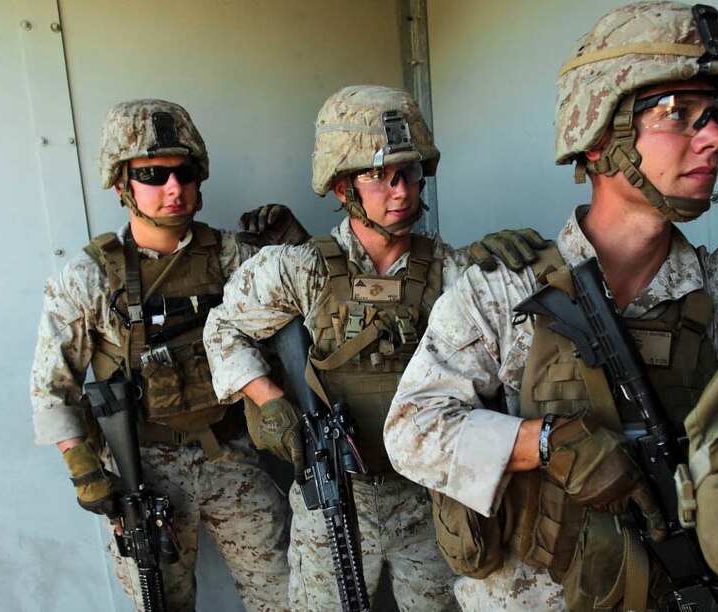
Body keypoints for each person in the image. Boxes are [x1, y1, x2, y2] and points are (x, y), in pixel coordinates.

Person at [383, 2, 718, 609]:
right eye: (676, 114)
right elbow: (412, 430)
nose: (714, 136)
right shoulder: (502, 295)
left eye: (713, 115)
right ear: (599, 134)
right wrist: (549, 442)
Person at [203, 84, 541, 610]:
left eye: (408, 173)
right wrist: (268, 399)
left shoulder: (453, 270)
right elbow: (223, 328)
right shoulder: (301, 267)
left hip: (429, 496)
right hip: (334, 493)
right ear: (342, 187)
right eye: (378, 175)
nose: (400, 190)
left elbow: (522, 356)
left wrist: (517, 273)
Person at [30, 99, 299, 610]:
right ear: (121, 186)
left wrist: (294, 241)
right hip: (143, 471)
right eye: (152, 175)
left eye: (184, 172)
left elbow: (314, 306)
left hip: (232, 456)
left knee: (287, 596)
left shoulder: (233, 257)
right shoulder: (88, 279)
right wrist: (86, 471)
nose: (172, 188)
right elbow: (52, 386)